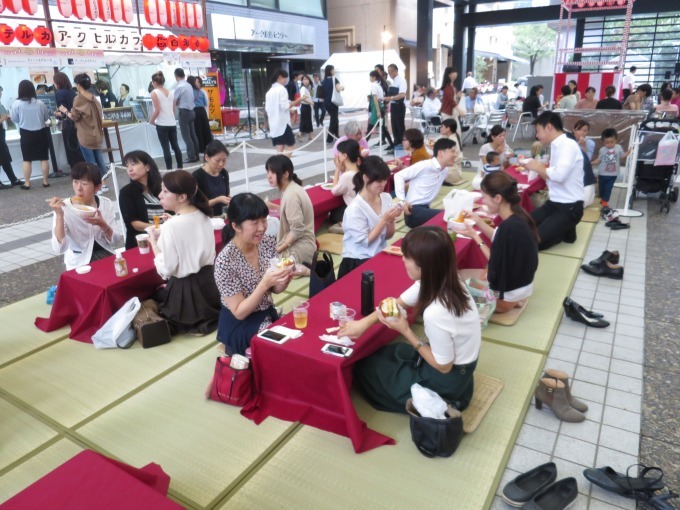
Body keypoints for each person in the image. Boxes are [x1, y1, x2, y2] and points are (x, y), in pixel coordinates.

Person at [340, 226, 481, 413]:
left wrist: (405, 330)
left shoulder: (437, 312)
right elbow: (399, 303)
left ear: (424, 265)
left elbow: (444, 366)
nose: (403, 260)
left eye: (407, 257)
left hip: (447, 378)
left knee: (366, 371)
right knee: (384, 355)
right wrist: (362, 324)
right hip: (460, 368)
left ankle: (445, 400)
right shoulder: (446, 276)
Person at [214, 193, 293, 355]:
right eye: (254, 223)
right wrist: (264, 283)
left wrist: (284, 278)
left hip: (265, 313)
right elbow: (239, 312)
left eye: (264, 220)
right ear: (236, 226)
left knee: (296, 336)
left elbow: (275, 290)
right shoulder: (225, 262)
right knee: (281, 349)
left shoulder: (267, 243)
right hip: (240, 323)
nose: (262, 227)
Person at [148, 170, 220, 335]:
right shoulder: (203, 215)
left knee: (155, 298)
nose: (160, 195)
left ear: (182, 197)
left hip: (186, 295)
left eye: (165, 191)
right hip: (210, 287)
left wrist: (153, 242)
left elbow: (166, 270)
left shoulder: (171, 226)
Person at [462, 172, 539, 312]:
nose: (483, 201)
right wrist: (477, 220)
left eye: (484, 197)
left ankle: (499, 306)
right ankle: (514, 302)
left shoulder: (508, 228)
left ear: (498, 198)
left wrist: (476, 237)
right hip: (521, 287)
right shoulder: (519, 216)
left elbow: (494, 262)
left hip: (505, 297)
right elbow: (497, 237)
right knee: (465, 275)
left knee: (455, 288)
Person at [523, 112, 584, 250]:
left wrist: (537, 166)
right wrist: (537, 169)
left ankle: (564, 229)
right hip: (553, 204)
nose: (537, 135)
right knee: (521, 225)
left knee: (533, 242)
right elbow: (552, 176)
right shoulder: (556, 145)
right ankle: (564, 229)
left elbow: (559, 175)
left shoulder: (568, 145)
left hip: (570, 207)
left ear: (549, 127)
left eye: (538, 131)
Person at [48, 162, 121, 270]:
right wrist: (59, 216)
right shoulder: (64, 208)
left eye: (84, 184)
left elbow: (115, 240)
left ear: (97, 187)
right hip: (79, 262)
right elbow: (59, 248)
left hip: (105, 255)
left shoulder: (106, 203)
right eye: (75, 182)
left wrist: (103, 224)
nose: (79, 188)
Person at [338, 156, 402, 278]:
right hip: (358, 259)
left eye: (385, 180)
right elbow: (365, 242)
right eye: (379, 181)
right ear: (366, 178)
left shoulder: (386, 197)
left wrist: (391, 219)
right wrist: (384, 220)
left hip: (378, 254)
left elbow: (388, 236)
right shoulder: (355, 208)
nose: (383, 184)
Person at [395, 138, 458, 228]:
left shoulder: (444, 170)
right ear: (440, 152)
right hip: (413, 211)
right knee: (448, 217)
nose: (455, 155)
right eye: (452, 151)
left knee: (454, 213)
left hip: (425, 209)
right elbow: (398, 176)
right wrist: (402, 201)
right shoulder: (426, 165)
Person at [264, 155, 316, 266]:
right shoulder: (292, 188)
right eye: (268, 172)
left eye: (272, 173)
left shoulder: (291, 194)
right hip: (302, 245)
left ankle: (307, 270)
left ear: (286, 174)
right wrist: (273, 206)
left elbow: (297, 230)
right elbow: (289, 212)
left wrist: (278, 250)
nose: (269, 176)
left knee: (272, 267)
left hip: (300, 249)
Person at [60, 74, 108, 191]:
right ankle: (104, 184)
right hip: (97, 134)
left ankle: (95, 187)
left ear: (78, 85)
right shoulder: (94, 98)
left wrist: (65, 111)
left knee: (90, 164)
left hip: (86, 135)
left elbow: (75, 116)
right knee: (100, 161)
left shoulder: (79, 99)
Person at [118, 150, 164, 249]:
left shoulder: (162, 187)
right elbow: (134, 223)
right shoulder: (126, 192)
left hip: (165, 238)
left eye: (133, 164)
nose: (129, 169)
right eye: (127, 166)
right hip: (141, 244)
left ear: (147, 167)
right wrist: (159, 228)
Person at [11, 80, 50, 190]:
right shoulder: (40, 103)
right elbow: (46, 118)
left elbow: (14, 119)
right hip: (41, 132)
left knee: (27, 159)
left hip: (26, 133)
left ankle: (27, 183)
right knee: (44, 158)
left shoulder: (16, 104)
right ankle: (45, 181)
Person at [149, 71, 183, 171]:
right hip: (172, 122)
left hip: (162, 124)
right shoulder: (171, 92)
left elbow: (157, 110)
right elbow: (174, 109)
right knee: (175, 145)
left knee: (166, 148)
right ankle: (180, 167)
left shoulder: (154, 93)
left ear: (155, 82)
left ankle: (169, 169)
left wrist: (151, 121)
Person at [265, 69, 303, 154]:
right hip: (283, 123)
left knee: (280, 145)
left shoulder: (269, 92)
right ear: (279, 77)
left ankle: (278, 165)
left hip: (274, 123)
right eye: (285, 78)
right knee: (291, 145)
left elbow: (268, 108)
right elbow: (285, 106)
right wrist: (298, 101)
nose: (286, 80)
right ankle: (284, 165)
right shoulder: (282, 89)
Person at [591, 128, 631, 209]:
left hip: (613, 174)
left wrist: (629, 152)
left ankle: (605, 201)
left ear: (616, 140)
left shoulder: (618, 147)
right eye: (607, 143)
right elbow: (598, 160)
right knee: (601, 188)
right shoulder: (602, 150)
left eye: (612, 142)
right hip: (602, 173)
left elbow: (622, 156)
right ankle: (602, 198)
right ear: (603, 142)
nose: (609, 144)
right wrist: (590, 163)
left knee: (608, 188)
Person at [53, 72, 85, 171]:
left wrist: (55, 113)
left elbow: (62, 111)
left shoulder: (59, 93)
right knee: (78, 148)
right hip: (77, 124)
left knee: (71, 150)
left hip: (68, 124)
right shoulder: (72, 92)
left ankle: (77, 171)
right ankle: (83, 168)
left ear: (57, 82)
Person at [328, 139, 361, 234]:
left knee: (334, 213)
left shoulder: (348, 176)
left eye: (339, 153)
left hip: (355, 212)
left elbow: (334, 191)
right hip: (362, 209)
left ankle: (346, 226)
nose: (337, 155)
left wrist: (337, 169)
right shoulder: (360, 170)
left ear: (344, 156)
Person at [193, 140, 230, 217]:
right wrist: (218, 200)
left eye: (224, 160)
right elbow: (195, 204)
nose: (221, 164)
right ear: (207, 157)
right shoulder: (197, 176)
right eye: (217, 160)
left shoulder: (224, 173)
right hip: (205, 218)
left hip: (222, 217)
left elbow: (227, 195)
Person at [173, 68, 199, 163]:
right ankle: (196, 155)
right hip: (192, 111)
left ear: (176, 76)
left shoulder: (179, 86)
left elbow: (175, 101)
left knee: (186, 136)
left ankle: (191, 157)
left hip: (184, 112)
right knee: (193, 135)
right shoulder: (188, 85)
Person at [569, 119, 597, 208]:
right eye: (579, 130)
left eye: (585, 131)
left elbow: (587, 160)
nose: (582, 133)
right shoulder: (568, 140)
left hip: (583, 170)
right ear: (574, 130)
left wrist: (583, 145)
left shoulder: (590, 143)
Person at [0, 86, 22, 188]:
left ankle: (13, 179)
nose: (1, 94)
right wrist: (3, 117)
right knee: (3, 157)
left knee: (5, 157)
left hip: (2, 133)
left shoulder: (1, 104)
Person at [188, 76, 213, 154]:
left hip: (195, 110)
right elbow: (205, 103)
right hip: (202, 111)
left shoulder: (190, 92)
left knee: (198, 130)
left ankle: (200, 148)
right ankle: (209, 146)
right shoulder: (202, 92)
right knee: (206, 129)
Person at [385, 63, 407, 146]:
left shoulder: (402, 80)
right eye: (388, 72)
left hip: (399, 106)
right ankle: (396, 143)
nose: (390, 74)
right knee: (394, 126)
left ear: (396, 71)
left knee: (399, 126)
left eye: (391, 72)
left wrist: (390, 98)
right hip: (394, 106)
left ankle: (401, 144)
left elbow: (402, 94)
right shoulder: (393, 82)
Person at [322, 65, 344, 144]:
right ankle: (329, 138)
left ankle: (336, 135)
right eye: (333, 69)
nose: (334, 71)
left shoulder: (323, 81)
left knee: (335, 119)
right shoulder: (334, 79)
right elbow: (338, 88)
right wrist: (342, 88)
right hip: (333, 102)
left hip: (326, 103)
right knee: (333, 119)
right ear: (330, 71)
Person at [440, 118, 463, 185]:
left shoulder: (451, 140)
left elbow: (444, 158)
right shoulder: (453, 136)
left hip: (451, 174)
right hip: (455, 171)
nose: (440, 128)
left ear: (448, 129)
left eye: (442, 127)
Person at [297, 74, 315, 141]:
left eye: (307, 79)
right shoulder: (303, 88)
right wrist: (311, 102)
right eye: (304, 79)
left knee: (307, 121)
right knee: (306, 121)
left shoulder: (308, 88)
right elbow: (303, 98)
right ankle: (301, 134)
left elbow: (310, 96)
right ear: (302, 81)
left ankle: (308, 136)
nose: (306, 81)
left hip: (307, 106)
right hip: (305, 106)